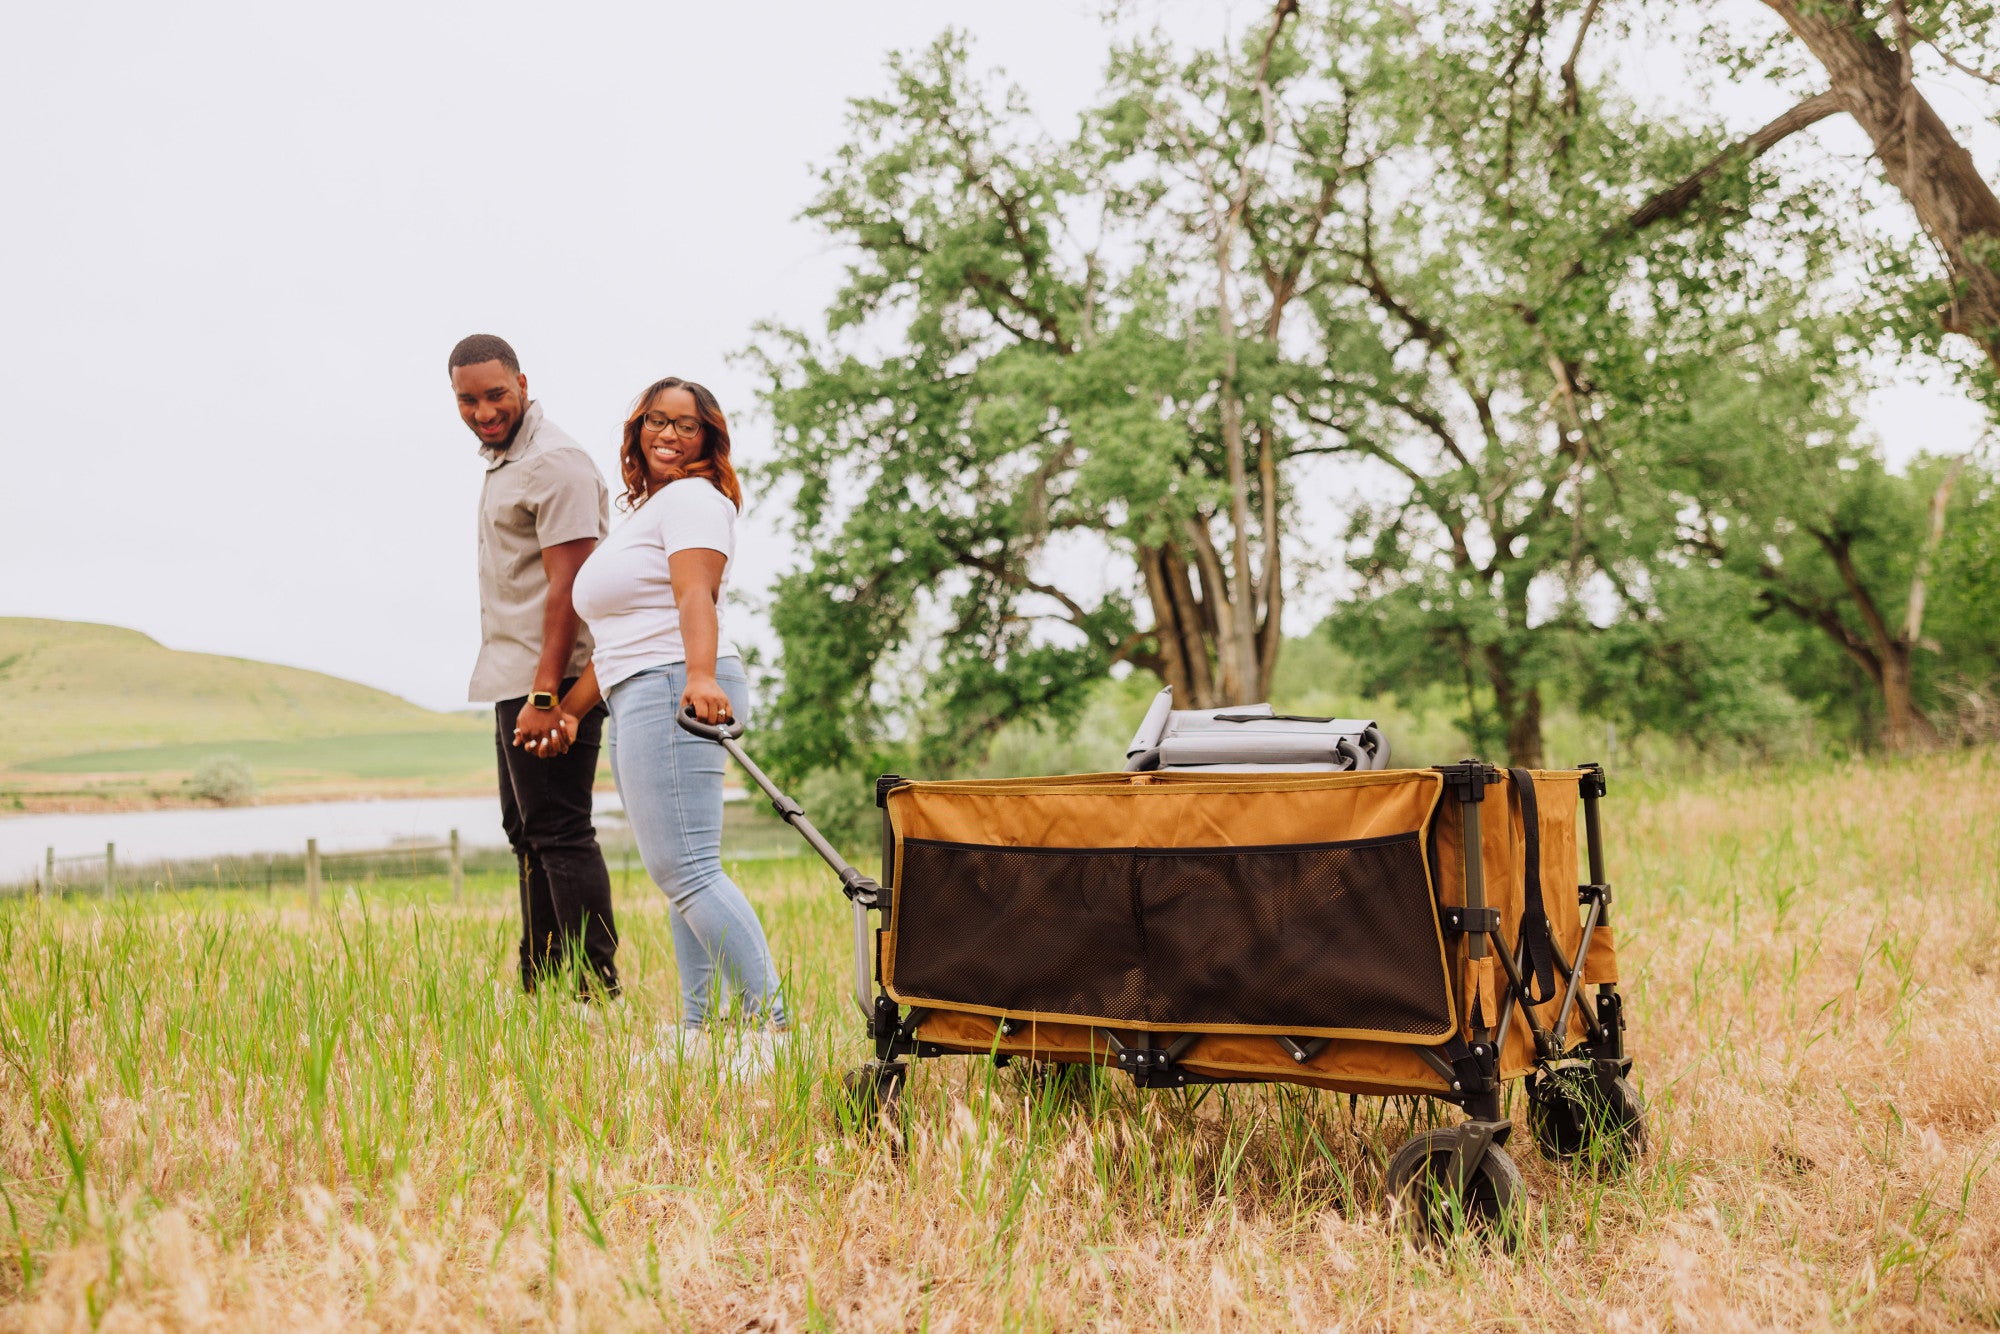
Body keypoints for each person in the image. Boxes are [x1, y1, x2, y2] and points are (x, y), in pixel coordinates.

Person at [533, 376, 787, 1051]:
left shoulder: (696, 501)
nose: (668, 435)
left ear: (708, 439)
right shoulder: (650, 511)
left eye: (686, 425)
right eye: (656, 420)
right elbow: (618, 645)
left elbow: (694, 598)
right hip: (640, 686)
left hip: (678, 682)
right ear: (636, 429)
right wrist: (570, 713)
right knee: (682, 874)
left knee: (690, 870)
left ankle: (770, 1034)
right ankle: (701, 1033)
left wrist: (700, 676)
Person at [449, 333, 620, 999]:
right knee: (528, 835)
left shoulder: (554, 463)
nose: (483, 410)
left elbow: (570, 587)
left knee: (560, 832)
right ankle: (541, 980)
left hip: (547, 680)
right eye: (467, 400)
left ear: (523, 382)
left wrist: (548, 694)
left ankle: (592, 988)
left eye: (495, 395)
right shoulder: (507, 462)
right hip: (513, 674)